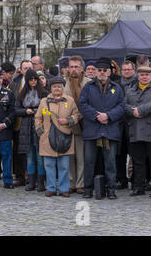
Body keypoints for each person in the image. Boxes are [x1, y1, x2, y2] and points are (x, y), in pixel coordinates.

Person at [79, 57, 125, 199]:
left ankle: (111, 189)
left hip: (109, 130)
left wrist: (108, 116)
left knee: (110, 163)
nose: (102, 73)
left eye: (105, 70)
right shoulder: (88, 87)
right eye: (100, 70)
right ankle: (88, 189)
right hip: (92, 129)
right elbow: (83, 104)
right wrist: (96, 116)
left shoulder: (117, 88)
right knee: (89, 161)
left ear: (110, 72)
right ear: (96, 72)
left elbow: (121, 106)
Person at [35, 77, 81, 197]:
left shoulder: (70, 101)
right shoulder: (44, 101)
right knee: (49, 165)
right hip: (47, 138)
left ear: (63, 88)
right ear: (50, 88)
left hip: (64, 137)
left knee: (64, 166)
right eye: (54, 86)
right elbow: (38, 118)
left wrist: (68, 120)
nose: (57, 88)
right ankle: (50, 188)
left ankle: (64, 189)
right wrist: (41, 132)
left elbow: (76, 115)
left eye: (59, 86)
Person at [124, 66, 151, 197]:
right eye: (142, 74)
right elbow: (124, 105)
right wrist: (133, 111)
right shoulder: (130, 90)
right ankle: (139, 187)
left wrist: (141, 110)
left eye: (147, 75)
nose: (144, 77)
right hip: (135, 129)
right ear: (138, 76)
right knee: (138, 161)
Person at [15, 69, 48, 191]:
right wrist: (25, 111)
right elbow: (16, 109)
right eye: (31, 79)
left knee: (40, 156)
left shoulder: (44, 93)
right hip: (26, 125)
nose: (33, 81)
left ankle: (40, 182)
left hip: (39, 125)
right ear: (27, 81)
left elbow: (47, 109)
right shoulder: (22, 94)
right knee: (29, 156)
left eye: (35, 79)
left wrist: (39, 112)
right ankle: (31, 181)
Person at [63, 55, 91, 195]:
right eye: (71, 67)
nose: (73, 70)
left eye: (76, 67)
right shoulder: (63, 83)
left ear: (82, 68)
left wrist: (77, 117)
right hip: (67, 124)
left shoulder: (88, 83)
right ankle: (70, 183)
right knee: (69, 156)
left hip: (84, 124)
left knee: (81, 156)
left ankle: (80, 183)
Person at [9, 60, 34, 187]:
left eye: (30, 67)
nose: (28, 70)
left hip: (31, 123)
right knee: (18, 151)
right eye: (25, 68)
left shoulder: (36, 82)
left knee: (31, 151)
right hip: (17, 122)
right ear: (20, 70)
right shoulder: (14, 83)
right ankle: (19, 176)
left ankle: (31, 176)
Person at [116, 60, 138, 190]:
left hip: (134, 122)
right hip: (119, 124)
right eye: (124, 70)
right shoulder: (116, 85)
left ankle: (135, 179)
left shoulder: (138, 84)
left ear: (134, 70)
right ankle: (121, 179)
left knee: (135, 154)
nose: (126, 72)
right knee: (119, 154)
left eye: (129, 69)